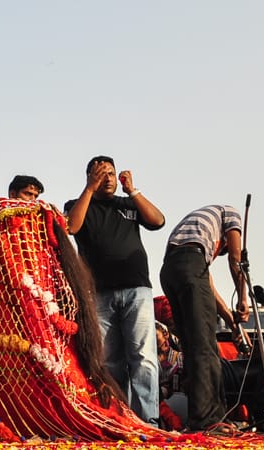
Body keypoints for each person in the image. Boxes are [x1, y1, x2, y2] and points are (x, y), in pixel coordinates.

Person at [63, 155, 167, 425]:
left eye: (111, 173)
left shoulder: (128, 204)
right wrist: (89, 188)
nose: (107, 178)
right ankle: (119, 419)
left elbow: (157, 221)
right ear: (89, 177)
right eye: (100, 174)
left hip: (137, 288)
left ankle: (149, 421)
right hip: (98, 293)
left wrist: (133, 190)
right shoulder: (77, 205)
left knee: (143, 357)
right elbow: (71, 227)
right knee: (109, 362)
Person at [158, 204, 247, 432]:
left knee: (194, 345)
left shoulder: (195, 235)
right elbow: (236, 258)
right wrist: (243, 298)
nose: (222, 251)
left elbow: (206, 284)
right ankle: (208, 420)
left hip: (170, 271)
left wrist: (230, 320)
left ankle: (203, 417)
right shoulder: (230, 213)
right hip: (188, 267)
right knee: (205, 348)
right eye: (223, 249)